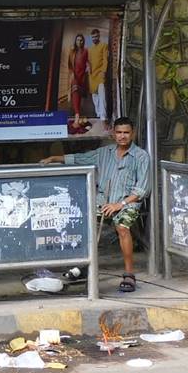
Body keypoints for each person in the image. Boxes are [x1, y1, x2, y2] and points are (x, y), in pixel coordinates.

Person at [43, 116, 149, 292]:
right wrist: (54, 158)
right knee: (82, 222)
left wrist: (119, 204)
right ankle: (83, 267)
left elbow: (142, 190)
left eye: (126, 133)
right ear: (113, 134)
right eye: (119, 132)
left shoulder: (141, 156)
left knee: (122, 226)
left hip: (127, 202)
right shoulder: (104, 153)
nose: (122, 136)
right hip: (103, 200)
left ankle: (129, 274)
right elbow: (80, 158)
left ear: (133, 134)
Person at [67, 33, 89, 128]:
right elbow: (70, 65)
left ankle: (78, 114)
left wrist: (88, 67)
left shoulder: (86, 51)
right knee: (75, 92)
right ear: (75, 41)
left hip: (83, 77)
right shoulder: (72, 52)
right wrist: (72, 74)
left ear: (83, 41)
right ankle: (77, 116)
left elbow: (88, 62)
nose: (79, 42)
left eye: (81, 40)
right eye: (77, 40)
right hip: (74, 77)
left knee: (79, 95)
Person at [87, 27, 109, 124]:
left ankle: (103, 118)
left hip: (100, 74)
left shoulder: (104, 45)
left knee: (102, 96)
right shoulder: (90, 49)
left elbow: (105, 59)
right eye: (93, 37)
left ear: (99, 36)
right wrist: (88, 68)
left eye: (96, 36)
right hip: (92, 75)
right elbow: (88, 61)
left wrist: (103, 72)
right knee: (95, 97)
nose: (94, 38)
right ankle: (98, 115)